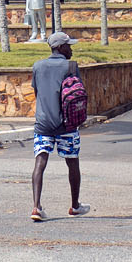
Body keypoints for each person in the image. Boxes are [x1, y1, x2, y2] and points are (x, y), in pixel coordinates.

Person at [31, 32, 89, 222]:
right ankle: (75, 205)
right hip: (67, 124)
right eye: (69, 46)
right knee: (72, 162)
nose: (71, 49)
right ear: (60, 48)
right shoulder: (71, 66)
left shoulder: (37, 66)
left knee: (40, 162)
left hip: (43, 123)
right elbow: (77, 93)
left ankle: (36, 207)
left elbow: (37, 92)